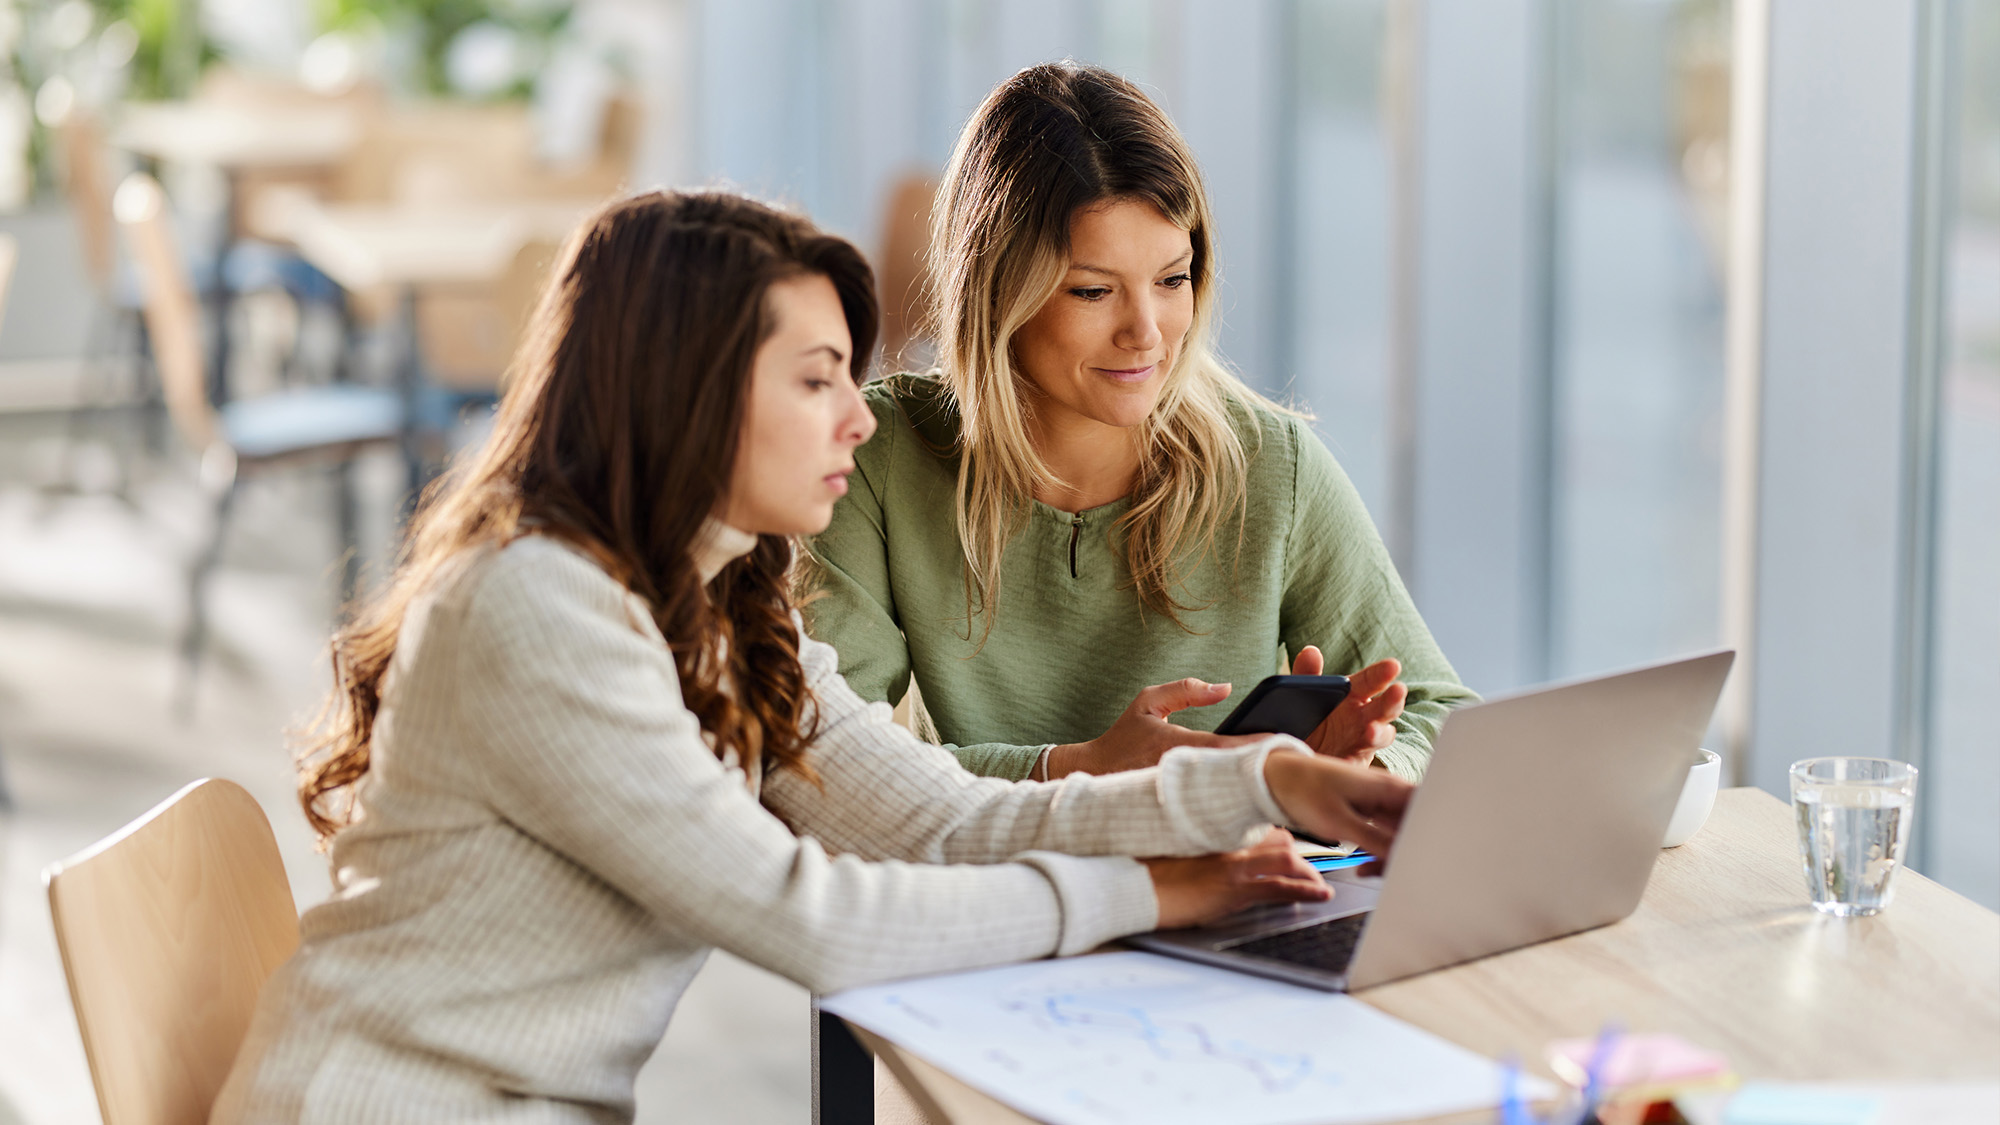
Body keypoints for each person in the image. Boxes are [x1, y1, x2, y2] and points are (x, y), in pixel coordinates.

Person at [210, 190, 1415, 1123]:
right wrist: (1151, 889)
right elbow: (817, 922)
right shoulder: (537, 611)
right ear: (684, 395)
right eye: (814, 380)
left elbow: (942, 825)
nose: (858, 418)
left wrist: (1260, 782)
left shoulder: (720, 604)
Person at [803, 61, 1476, 784]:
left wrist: (1364, 763)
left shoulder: (1272, 467)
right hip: (996, 889)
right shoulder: (872, 454)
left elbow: (1437, 713)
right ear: (998, 293)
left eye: (1172, 280)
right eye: (1094, 291)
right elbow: (834, 759)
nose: (1147, 333)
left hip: (1235, 889)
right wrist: (1077, 770)